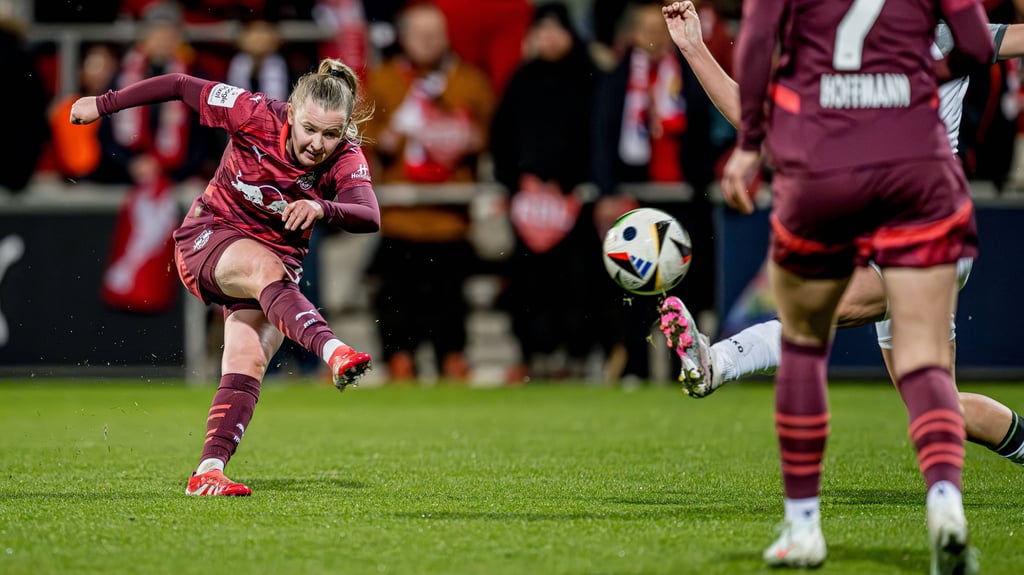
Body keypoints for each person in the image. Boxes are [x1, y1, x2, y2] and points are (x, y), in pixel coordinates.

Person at [661, 0, 994, 571]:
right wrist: (908, 83)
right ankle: (947, 501)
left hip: (831, 172)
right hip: (922, 180)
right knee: (929, 377)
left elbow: (758, 67)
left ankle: (803, 523)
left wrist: (746, 150)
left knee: (805, 341)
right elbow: (975, 41)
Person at [69, 58, 380, 497]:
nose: (317, 143)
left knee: (248, 360)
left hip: (274, 273)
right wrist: (104, 103)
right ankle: (334, 350)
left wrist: (322, 207)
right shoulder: (252, 111)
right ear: (291, 111)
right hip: (209, 236)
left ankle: (208, 471)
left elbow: (368, 215)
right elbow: (179, 84)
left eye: (331, 134)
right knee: (265, 269)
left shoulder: (346, 156)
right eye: (310, 128)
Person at [362, 1, 494, 383]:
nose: (428, 41)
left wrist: (470, 138)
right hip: (400, 216)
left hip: (451, 217)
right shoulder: (384, 80)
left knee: (449, 295)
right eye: (419, 33)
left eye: (435, 33)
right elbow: (361, 141)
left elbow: (491, 135)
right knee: (396, 293)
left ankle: (452, 357)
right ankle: (399, 358)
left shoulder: (470, 81)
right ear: (403, 37)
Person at [489, 3, 605, 383]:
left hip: (577, 203)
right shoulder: (520, 81)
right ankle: (536, 354)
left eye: (557, 29)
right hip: (527, 206)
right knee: (529, 285)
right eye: (543, 30)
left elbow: (600, 137)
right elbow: (501, 138)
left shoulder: (590, 79)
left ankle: (577, 355)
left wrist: (576, 185)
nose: (550, 38)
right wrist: (517, 183)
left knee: (578, 282)